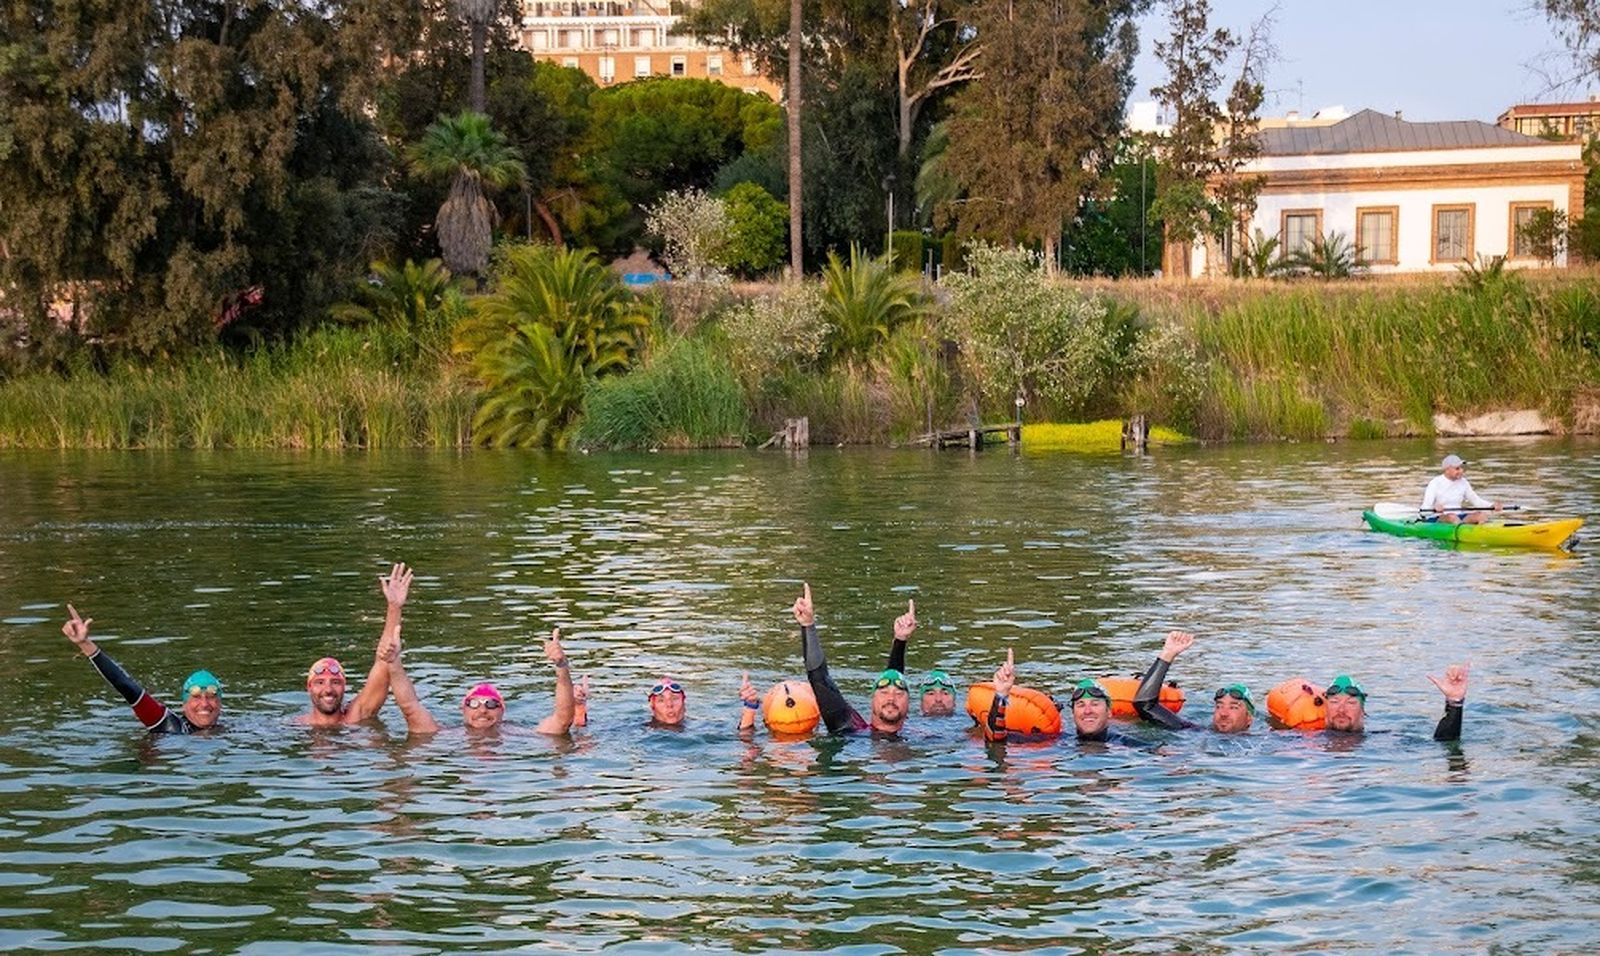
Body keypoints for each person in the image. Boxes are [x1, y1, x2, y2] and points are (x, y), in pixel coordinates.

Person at [387, 627, 578, 736]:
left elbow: (562, 720)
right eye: (474, 704)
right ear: (463, 709)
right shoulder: (447, 735)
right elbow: (410, 707)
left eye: (491, 704)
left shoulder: (517, 734)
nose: (482, 710)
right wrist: (393, 663)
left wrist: (562, 667)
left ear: (502, 710)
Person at [62, 605, 222, 734]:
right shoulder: (167, 724)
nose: (204, 703)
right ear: (184, 704)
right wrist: (84, 644)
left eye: (211, 696)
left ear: (220, 703)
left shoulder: (231, 731)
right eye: (195, 697)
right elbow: (126, 686)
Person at [299, 562, 409, 728]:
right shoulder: (293, 727)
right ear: (309, 687)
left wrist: (394, 607)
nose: (328, 689)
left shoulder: (356, 717)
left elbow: (384, 661)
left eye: (335, 682)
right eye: (320, 682)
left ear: (344, 687)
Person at [793, 584, 910, 736]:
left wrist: (900, 639)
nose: (891, 698)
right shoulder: (850, 727)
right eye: (883, 692)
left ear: (908, 705)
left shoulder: (926, 739)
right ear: (872, 701)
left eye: (899, 694)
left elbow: (894, 677)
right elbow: (820, 679)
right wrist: (808, 625)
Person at [1132, 630, 1254, 734]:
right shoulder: (1193, 732)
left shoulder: (1264, 742)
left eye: (1233, 707)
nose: (1223, 713)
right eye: (1219, 706)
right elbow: (1145, 705)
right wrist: (1168, 654)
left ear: (1249, 719)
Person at [1324, 664, 1468, 741]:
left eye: (1351, 703)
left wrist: (1454, 703)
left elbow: (1444, 743)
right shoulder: (1306, 741)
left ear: (1363, 711)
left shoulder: (1385, 740)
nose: (1341, 710)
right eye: (1335, 702)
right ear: (1325, 709)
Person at [1422, 454, 1501, 525]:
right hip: (1437, 517)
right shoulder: (1435, 483)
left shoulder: (1463, 482)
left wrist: (1491, 506)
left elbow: (1476, 501)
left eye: (1461, 468)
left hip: (1459, 517)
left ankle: (1481, 533)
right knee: (1452, 517)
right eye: (1457, 468)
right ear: (1447, 470)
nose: (1461, 471)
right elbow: (1424, 509)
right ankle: (1464, 532)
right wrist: (1434, 508)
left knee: (1481, 516)